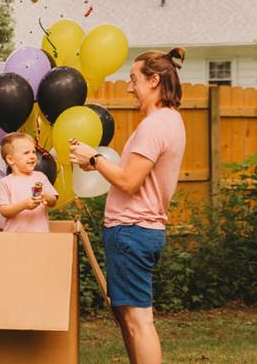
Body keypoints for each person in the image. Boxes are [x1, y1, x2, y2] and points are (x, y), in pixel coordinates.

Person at [69, 48, 187, 364]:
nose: (129, 87)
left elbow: (130, 181)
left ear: (154, 80)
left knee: (138, 320)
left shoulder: (154, 125)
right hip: (137, 231)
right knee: (127, 318)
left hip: (131, 232)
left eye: (134, 79)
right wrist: (96, 165)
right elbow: (132, 177)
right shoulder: (170, 120)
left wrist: (92, 158)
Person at [0, 132, 57, 232]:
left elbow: (53, 201)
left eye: (33, 152)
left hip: (40, 237)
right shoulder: (5, 182)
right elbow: (4, 211)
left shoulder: (40, 177)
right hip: (14, 238)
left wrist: (46, 196)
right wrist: (24, 205)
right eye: (26, 153)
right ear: (11, 159)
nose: (33, 156)